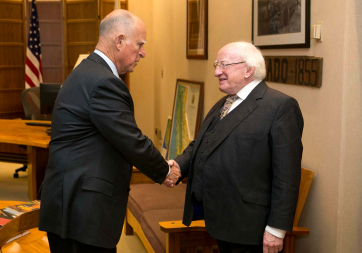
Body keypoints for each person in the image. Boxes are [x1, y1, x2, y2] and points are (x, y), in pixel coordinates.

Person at [39, 9, 180, 253]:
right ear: (119, 41)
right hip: (81, 211)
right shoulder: (103, 81)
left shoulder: (88, 70)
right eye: (140, 44)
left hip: (71, 204)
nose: (143, 52)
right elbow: (132, 141)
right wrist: (166, 170)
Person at [168, 41, 303, 253]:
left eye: (223, 65)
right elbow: (203, 143)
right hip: (221, 219)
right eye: (216, 65)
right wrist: (178, 165)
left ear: (248, 70)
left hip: (250, 225)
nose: (216, 72)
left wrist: (277, 229)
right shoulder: (225, 103)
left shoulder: (280, 106)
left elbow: (287, 175)